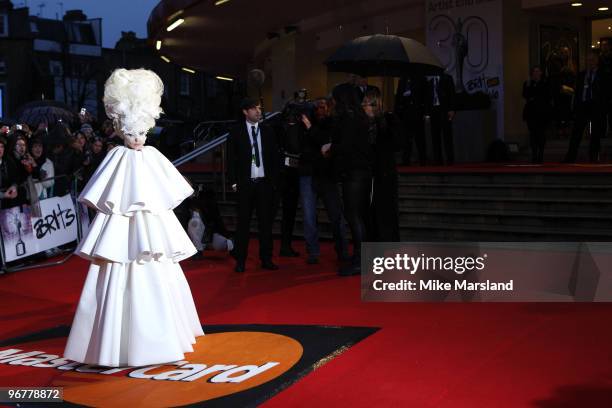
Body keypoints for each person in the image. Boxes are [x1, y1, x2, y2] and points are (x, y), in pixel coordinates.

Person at [64, 68, 203, 367]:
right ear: (119, 130)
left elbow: (165, 195)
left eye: (141, 133)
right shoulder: (115, 157)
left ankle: (161, 339)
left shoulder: (152, 156)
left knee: (156, 272)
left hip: (152, 234)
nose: (138, 139)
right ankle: (117, 343)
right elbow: (107, 197)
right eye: (131, 133)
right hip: (120, 238)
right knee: (118, 275)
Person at [227, 97, 280, 273]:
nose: (258, 111)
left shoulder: (267, 131)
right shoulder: (235, 131)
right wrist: (234, 182)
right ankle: (240, 260)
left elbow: (274, 157)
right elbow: (230, 159)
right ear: (245, 111)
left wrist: (273, 181)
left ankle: (266, 258)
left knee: (266, 223)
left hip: (264, 183)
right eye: (254, 108)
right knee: (243, 224)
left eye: (259, 108)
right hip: (245, 183)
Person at [325, 83, 372, 276]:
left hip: (353, 172)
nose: (333, 102)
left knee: (353, 215)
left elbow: (344, 146)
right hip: (361, 171)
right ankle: (361, 259)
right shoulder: (360, 117)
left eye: (335, 98)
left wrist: (330, 149)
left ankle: (360, 261)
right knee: (357, 215)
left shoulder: (348, 119)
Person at [300, 98, 349, 264]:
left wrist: (310, 128)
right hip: (308, 173)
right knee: (308, 216)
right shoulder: (306, 123)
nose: (318, 110)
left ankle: (342, 250)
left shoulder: (333, 124)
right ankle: (313, 252)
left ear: (329, 108)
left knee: (336, 216)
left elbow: (325, 141)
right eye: (316, 107)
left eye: (322, 106)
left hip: (327, 176)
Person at [363, 93, 402, 241]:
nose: (363, 107)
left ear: (374, 105)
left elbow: (397, 143)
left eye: (365, 104)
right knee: (370, 211)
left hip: (385, 172)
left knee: (386, 210)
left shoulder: (389, 119)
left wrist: (382, 122)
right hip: (368, 172)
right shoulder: (363, 123)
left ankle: (388, 241)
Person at [564, 52, 612, 163]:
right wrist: (576, 107)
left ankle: (593, 158)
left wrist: (604, 107)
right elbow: (578, 92)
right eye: (588, 60)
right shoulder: (581, 75)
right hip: (583, 106)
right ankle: (570, 158)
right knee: (576, 133)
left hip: (596, 106)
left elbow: (607, 93)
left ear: (597, 61)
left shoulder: (604, 75)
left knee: (595, 134)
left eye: (593, 59)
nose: (590, 62)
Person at [522, 66, 552, 163]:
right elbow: (525, 95)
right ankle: (534, 155)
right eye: (534, 72)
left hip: (542, 113)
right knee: (533, 135)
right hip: (531, 113)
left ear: (541, 73)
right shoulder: (527, 83)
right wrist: (530, 87)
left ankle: (540, 155)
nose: (535, 73)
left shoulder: (545, 83)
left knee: (541, 135)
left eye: (537, 71)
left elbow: (545, 96)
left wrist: (534, 96)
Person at [425, 73, 456, 165]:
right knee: (435, 136)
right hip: (433, 110)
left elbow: (452, 93)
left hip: (444, 109)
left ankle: (450, 159)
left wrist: (452, 109)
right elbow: (427, 97)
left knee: (447, 135)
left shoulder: (447, 78)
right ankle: (438, 160)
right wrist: (427, 113)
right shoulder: (429, 80)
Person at [395, 75, 427, 165]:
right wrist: (397, 111)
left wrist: (425, 112)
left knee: (419, 138)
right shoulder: (402, 80)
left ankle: (423, 160)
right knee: (406, 138)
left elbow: (424, 95)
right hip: (405, 114)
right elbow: (398, 95)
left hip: (417, 113)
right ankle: (406, 160)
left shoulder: (420, 79)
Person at [0, 136, 18, 207]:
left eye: (2, 147)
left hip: (8, 205)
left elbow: (16, 178)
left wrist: (14, 186)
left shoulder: (8, 161)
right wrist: (2, 195)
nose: (0, 149)